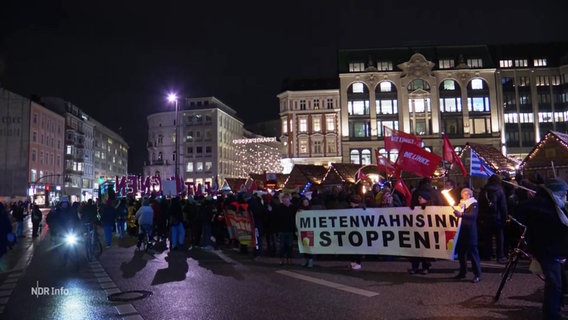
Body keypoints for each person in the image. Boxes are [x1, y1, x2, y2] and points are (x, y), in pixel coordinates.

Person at [520, 178, 568, 320]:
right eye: (563, 191)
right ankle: (551, 314)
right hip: (547, 248)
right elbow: (523, 214)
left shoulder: (554, 203)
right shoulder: (542, 204)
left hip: (554, 248)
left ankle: (555, 308)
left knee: (559, 281)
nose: (565, 194)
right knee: (555, 283)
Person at [408, 178, 443, 274]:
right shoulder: (435, 193)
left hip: (417, 224)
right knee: (427, 246)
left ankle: (415, 267)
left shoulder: (417, 192)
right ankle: (426, 267)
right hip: (430, 225)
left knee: (416, 246)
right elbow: (441, 205)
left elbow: (411, 206)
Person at [452, 188, 482, 283]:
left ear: (470, 194)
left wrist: (461, 214)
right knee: (461, 254)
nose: (466, 195)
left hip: (470, 232)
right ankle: (462, 272)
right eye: (464, 194)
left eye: (468, 193)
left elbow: (473, 216)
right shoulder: (460, 205)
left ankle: (477, 274)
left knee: (473, 254)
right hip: (461, 232)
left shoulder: (474, 204)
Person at [479, 174, 509, 263]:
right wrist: (505, 217)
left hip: (486, 217)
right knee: (499, 237)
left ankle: (487, 255)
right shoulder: (500, 190)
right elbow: (503, 206)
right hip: (497, 217)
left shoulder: (484, 190)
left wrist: (481, 217)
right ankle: (500, 256)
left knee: (487, 237)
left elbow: (480, 204)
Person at [273, 193, 297, 265]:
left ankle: (289, 259)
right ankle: (282, 259)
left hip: (290, 229)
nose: (285, 201)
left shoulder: (293, 208)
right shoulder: (279, 208)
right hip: (282, 229)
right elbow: (276, 219)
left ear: (289, 200)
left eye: (287, 199)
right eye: (284, 200)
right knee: (282, 246)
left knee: (289, 245)